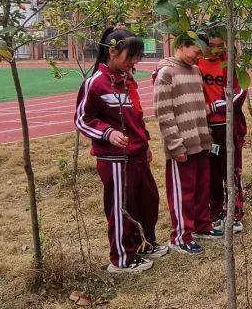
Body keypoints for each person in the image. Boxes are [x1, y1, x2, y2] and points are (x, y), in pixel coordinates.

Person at [74, 27, 167, 274]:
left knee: (148, 201)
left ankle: (144, 243)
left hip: (137, 155)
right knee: (121, 207)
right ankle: (122, 257)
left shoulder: (128, 80)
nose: (135, 62)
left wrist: (144, 143)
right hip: (114, 160)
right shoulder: (95, 84)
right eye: (131, 57)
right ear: (112, 52)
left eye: (138, 57)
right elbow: (82, 120)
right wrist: (108, 133)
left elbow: (136, 116)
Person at [153, 34, 215, 254]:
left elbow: (201, 107)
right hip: (182, 145)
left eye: (201, 54)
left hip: (201, 141)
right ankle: (181, 236)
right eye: (196, 52)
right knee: (184, 192)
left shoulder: (196, 71)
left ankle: (202, 225)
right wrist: (175, 145)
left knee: (201, 187)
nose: (198, 58)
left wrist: (206, 135)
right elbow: (164, 114)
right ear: (181, 46)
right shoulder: (166, 74)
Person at [197, 27, 247, 236]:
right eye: (212, 45)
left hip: (227, 126)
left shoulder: (230, 64)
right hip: (206, 129)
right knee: (212, 171)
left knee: (232, 170)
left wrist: (216, 107)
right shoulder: (195, 63)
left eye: (221, 46)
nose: (216, 50)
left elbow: (240, 91)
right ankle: (216, 212)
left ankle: (234, 212)